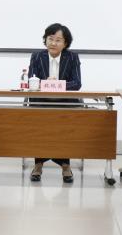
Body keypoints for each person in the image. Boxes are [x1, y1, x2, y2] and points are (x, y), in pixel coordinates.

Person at [28, 23, 82, 183]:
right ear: (45, 40)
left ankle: (66, 165)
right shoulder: (37, 56)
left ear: (65, 43)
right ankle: (38, 164)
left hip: (65, 103)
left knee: (64, 128)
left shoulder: (72, 57)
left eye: (58, 40)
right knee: (39, 128)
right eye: (50, 39)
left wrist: (57, 84)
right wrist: (46, 83)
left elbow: (77, 83)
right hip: (41, 103)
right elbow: (32, 80)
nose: (53, 43)